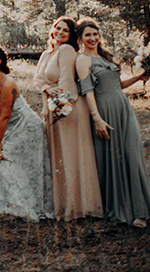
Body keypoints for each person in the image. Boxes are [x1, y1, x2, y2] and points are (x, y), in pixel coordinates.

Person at [75, 18, 150, 228]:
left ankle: (140, 209)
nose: (92, 38)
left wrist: (140, 77)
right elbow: (88, 90)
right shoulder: (83, 59)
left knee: (133, 154)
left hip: (122, 108)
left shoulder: (105, 56)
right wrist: (97, 118)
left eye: (95, 34)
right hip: (104, 111)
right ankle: (124, 209)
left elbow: (117, 85)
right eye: (87, 35)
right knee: (113, 158)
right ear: (80, 38)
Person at [32, 17, 102, 220]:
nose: (61, 32)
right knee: (59, 156)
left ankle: (77, 205)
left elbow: (66, 81)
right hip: (52, 106)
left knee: (71, 155)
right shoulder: (47, 53)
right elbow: (37, 79)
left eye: (66, 30)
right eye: (58, 28)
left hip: (67, 108)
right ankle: (62, 204)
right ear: (52, 30)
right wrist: (47, 89)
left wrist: (61, 104)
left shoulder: (67, 51)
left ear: (71, 35)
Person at [0, 46, 52, 221]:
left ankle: (17, 207)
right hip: (9, 128)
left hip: (27, 127)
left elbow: (3, 117)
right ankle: (0, 206)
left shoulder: (8, 84)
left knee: (6, 156)